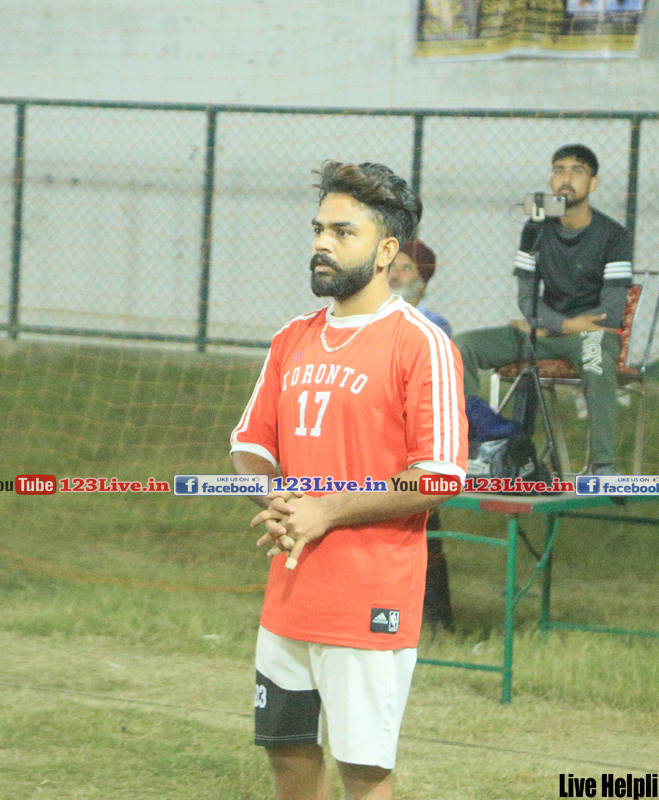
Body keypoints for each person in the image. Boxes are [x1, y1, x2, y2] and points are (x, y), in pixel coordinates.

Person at [231, 161, 467, 800]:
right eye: (318, 230)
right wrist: (276, 498)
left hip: (369, 596)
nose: (322, 244)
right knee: (288, 756)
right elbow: (250, 446)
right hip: (291, 591)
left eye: (342, 232)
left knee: (362, 772)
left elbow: (439, 476)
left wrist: (327, 511)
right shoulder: (292, 339)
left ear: (387, 251)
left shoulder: (420, 344)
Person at [454, 144, 632, 476]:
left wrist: (553, 325)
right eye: (559, 170)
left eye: (577, 171)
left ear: (593, 183)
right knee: (460, 347)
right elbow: (526, 298)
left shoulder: (613, 235)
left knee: (596, 359)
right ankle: (479, 447)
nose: (566, 179)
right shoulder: (535, 227)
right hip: (542, 332)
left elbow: (610, 311)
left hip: (588, 335)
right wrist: (554, 324)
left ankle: (602, 465)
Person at [387, 240, 454, 632]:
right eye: (392, 266)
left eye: (407, 268)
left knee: (424, 529)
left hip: (414, 444)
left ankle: (436, 622)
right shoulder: (369, 321)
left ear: (424, 282)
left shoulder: (435, 327)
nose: (395, 274)